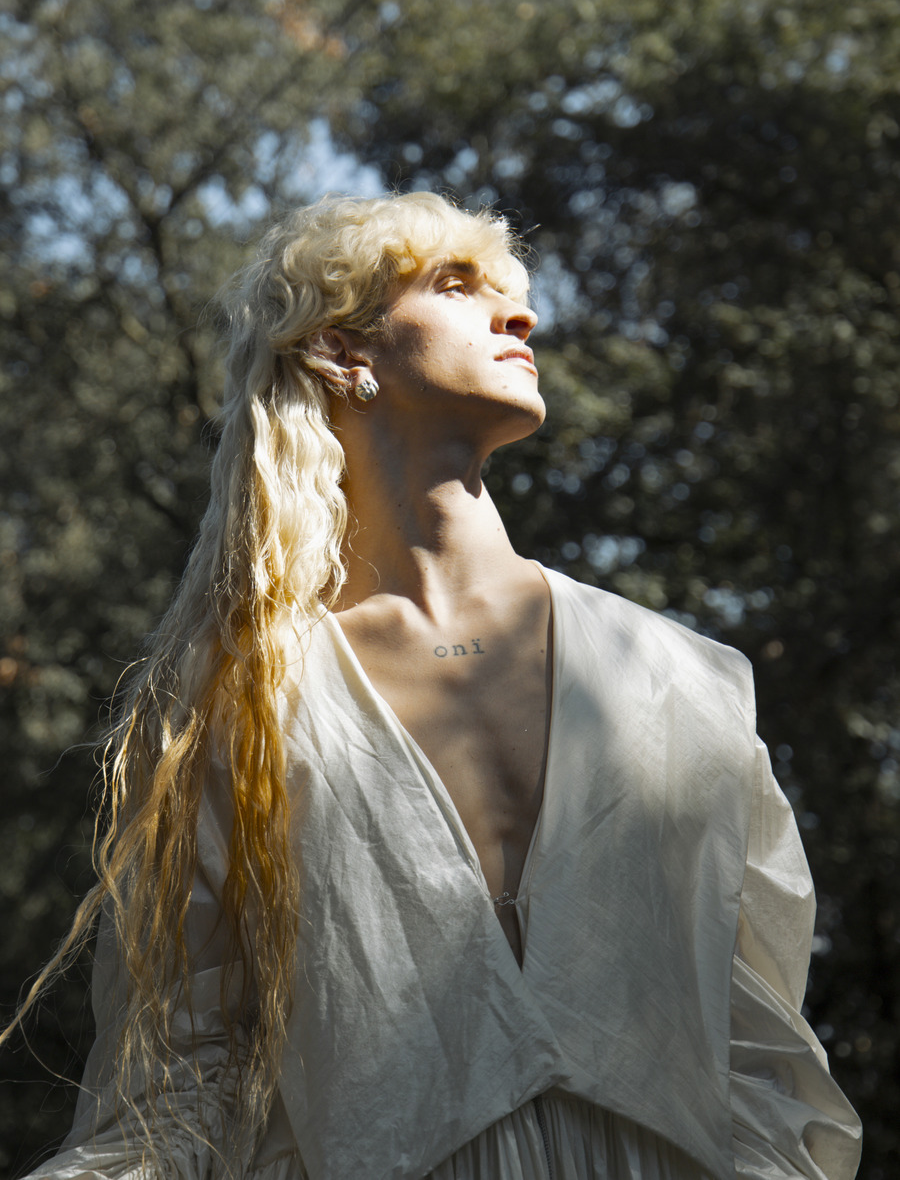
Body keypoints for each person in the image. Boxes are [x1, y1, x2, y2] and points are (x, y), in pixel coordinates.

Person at [11, 192, 861, 1180]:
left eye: (513, 293)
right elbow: (185, 1079)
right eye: (457, 286)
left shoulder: (684, 678)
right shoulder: (242, 700)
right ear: (341, 352)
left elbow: (760, 1061)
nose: (521, 315)